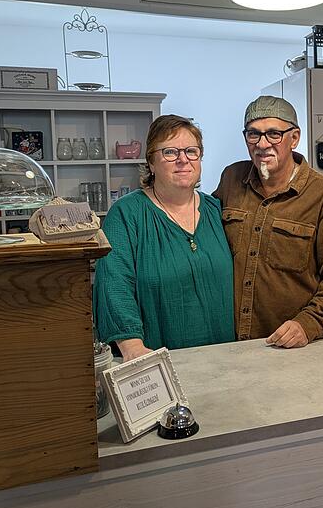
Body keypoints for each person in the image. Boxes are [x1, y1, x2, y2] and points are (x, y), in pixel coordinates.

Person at [214, 96, 323, 348]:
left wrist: (308, 324)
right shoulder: (231, 179)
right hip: (227, 344)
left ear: (294, 138)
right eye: (254, 134)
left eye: (274, 134)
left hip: (288, 347)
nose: (262, 144)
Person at [94, 114, 234, 360]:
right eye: (170, 152)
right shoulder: (127, 213)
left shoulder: (216, 210)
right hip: (157, 362)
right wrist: (132, 348)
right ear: (151, 162)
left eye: (191, 151)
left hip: (224, 358)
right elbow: (114, 285)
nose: (183, 160)